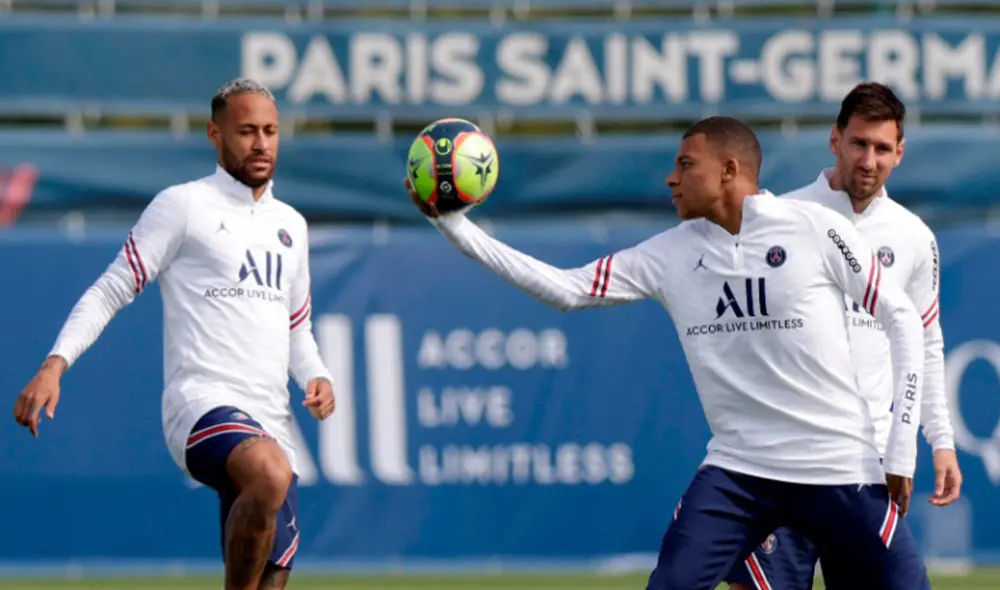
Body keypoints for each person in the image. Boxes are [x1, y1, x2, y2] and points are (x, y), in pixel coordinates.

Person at [405, 116, 930, 589]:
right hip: (740, 471)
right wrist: (452, 224)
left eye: (685, 164)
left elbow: (902, 318)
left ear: (729, 170)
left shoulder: (815, 228)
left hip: (837, 466)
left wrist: (902, 449)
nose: (670, 178)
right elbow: (566, 289)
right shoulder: (669, 252)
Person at [12, 78, 334, 590]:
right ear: (215, 133)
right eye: (246, 130)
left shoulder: (291, 224)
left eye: (270, 131)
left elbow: (296, 324)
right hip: (199, 402)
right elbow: (111, 288)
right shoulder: (183, 206)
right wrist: (56, 363)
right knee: (268, 474)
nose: (261, 143)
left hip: (272, 418)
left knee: (268, 577)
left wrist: (316, 374)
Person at [725, 82, 962, 590]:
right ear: (835, 140)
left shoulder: (914, 237)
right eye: (859, 144)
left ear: (900, 153)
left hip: (865, 467)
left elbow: (925, 342)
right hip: (782, 460)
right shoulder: (776, 217)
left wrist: (940, 440)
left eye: (882, 148)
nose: (869, 160)